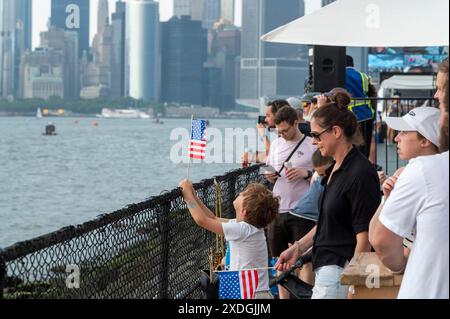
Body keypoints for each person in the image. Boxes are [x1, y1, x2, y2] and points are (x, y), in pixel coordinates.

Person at [274, 90, 381, 299]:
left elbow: (365, 237)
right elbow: (327, 223)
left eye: (316, 135)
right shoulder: (335, 169)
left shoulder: (360, 173)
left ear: (336, 132)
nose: (314, 141)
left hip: (340, 273)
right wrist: (298, 248)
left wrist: (354, 286)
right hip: (328, 270)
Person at [369, 60, 449, 299]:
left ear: (425, 141)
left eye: (405, 132)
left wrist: (403, 263)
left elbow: (380, 241)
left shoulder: (422, 170)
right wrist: (387, 199)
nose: (397, 138)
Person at [179, 180, 279, 299]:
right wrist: (194, 196)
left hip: (250, 294)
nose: (240, 192)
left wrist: (188, 196)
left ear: (244, 211)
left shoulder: (243, 230)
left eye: (243, 194)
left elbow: (202, 221)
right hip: (255, 291)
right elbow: (212, 218)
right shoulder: (249, 228)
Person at [264, 106, 316, 298]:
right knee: (280, 260)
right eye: (279, 131)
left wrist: (306, 174)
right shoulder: (277, 144)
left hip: (303, 210)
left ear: (296, 123)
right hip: (279, 208)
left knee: (304, 260)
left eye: (285, 130)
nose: (282, 134)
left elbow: (325, 175)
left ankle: (305, 296)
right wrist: (269, 175)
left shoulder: (312, 144)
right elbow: (269, 166)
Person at [288, 150, 334, 285]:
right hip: (307, 216)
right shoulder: (321, 179)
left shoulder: (318, 177)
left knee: (304, 262)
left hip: (301, 213)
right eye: (320, 175)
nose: (323, 178)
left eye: (326, 174)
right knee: (305, 261)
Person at [241, 100, 289, 167]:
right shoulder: (281, 137)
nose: (265, 120)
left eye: (268, 116)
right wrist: (249, 156)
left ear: (278, 117)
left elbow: (272, 156)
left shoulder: (288, 137)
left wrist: (262, 135)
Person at [345, 55, 376, 157]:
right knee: (364, 145)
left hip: (351, 116)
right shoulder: (363, 76)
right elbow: (370, 92)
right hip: (367, 114)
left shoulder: (340, 75)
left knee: (351, 146)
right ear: (353, 64)